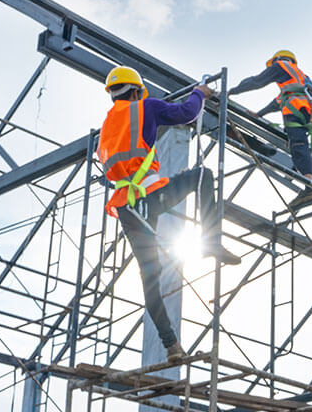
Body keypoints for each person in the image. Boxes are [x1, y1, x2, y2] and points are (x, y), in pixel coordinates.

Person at [96, 66, 241, 362]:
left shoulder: (107, 126)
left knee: (149, 276)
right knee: (202, 176)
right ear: (136, 91)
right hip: (150, 192)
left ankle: (171, 345)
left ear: (113, 94)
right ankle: (210, 241)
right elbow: (187, 114)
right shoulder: (145, 107)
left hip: (127, 206)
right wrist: (199, 93)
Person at [229, 50, 312, 207]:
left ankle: (309, 186)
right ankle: (309, 186)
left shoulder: (280, 65)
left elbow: (257, 81)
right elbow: (278, 101)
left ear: (278, 59)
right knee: (298, 145)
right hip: (306, 112)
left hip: (296, 111)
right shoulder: (300, 78)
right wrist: (259, 114)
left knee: (298, 145)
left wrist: (232, 91)